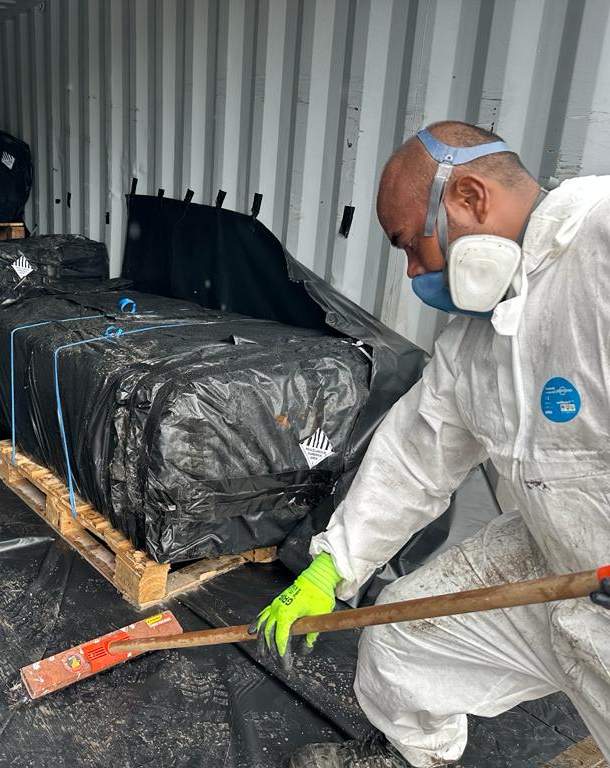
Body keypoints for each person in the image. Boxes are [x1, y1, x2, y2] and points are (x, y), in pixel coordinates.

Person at [249, 121, 610, 768]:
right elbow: (415, 456)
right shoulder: (474, 345)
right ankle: (414, 755)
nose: (414, 271)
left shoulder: (600, 243)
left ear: (470, 198)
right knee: (402, 631)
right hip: (555, 561)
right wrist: (334, 568)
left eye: (409, 245)